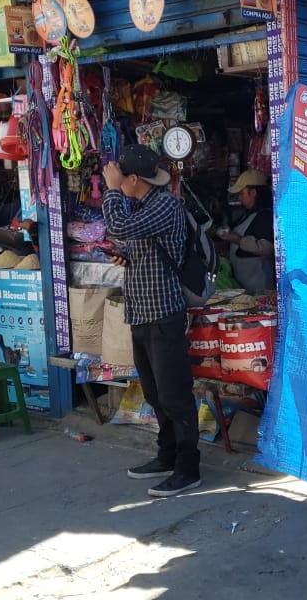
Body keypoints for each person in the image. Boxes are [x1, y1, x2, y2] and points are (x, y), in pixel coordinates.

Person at [101, 144, 201, 498]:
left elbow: (118, 225)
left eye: (119, 177)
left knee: (175, 395)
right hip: (142, 313)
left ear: (132, 179)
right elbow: (133, 242)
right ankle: (167, 455)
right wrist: (125, 257)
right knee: (156, 394)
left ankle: (189, 469)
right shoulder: (146, 206)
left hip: (163, 314)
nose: (113, 180)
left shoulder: (163, 205)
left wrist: (111, 192)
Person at [218, 169, 275, 293]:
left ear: (253, 192)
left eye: (242, 193)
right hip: (245, 286)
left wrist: (236, 239)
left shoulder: (265, 217)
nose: (239, 197)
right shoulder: (248, 214)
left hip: (260, 288)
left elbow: (265, 248)